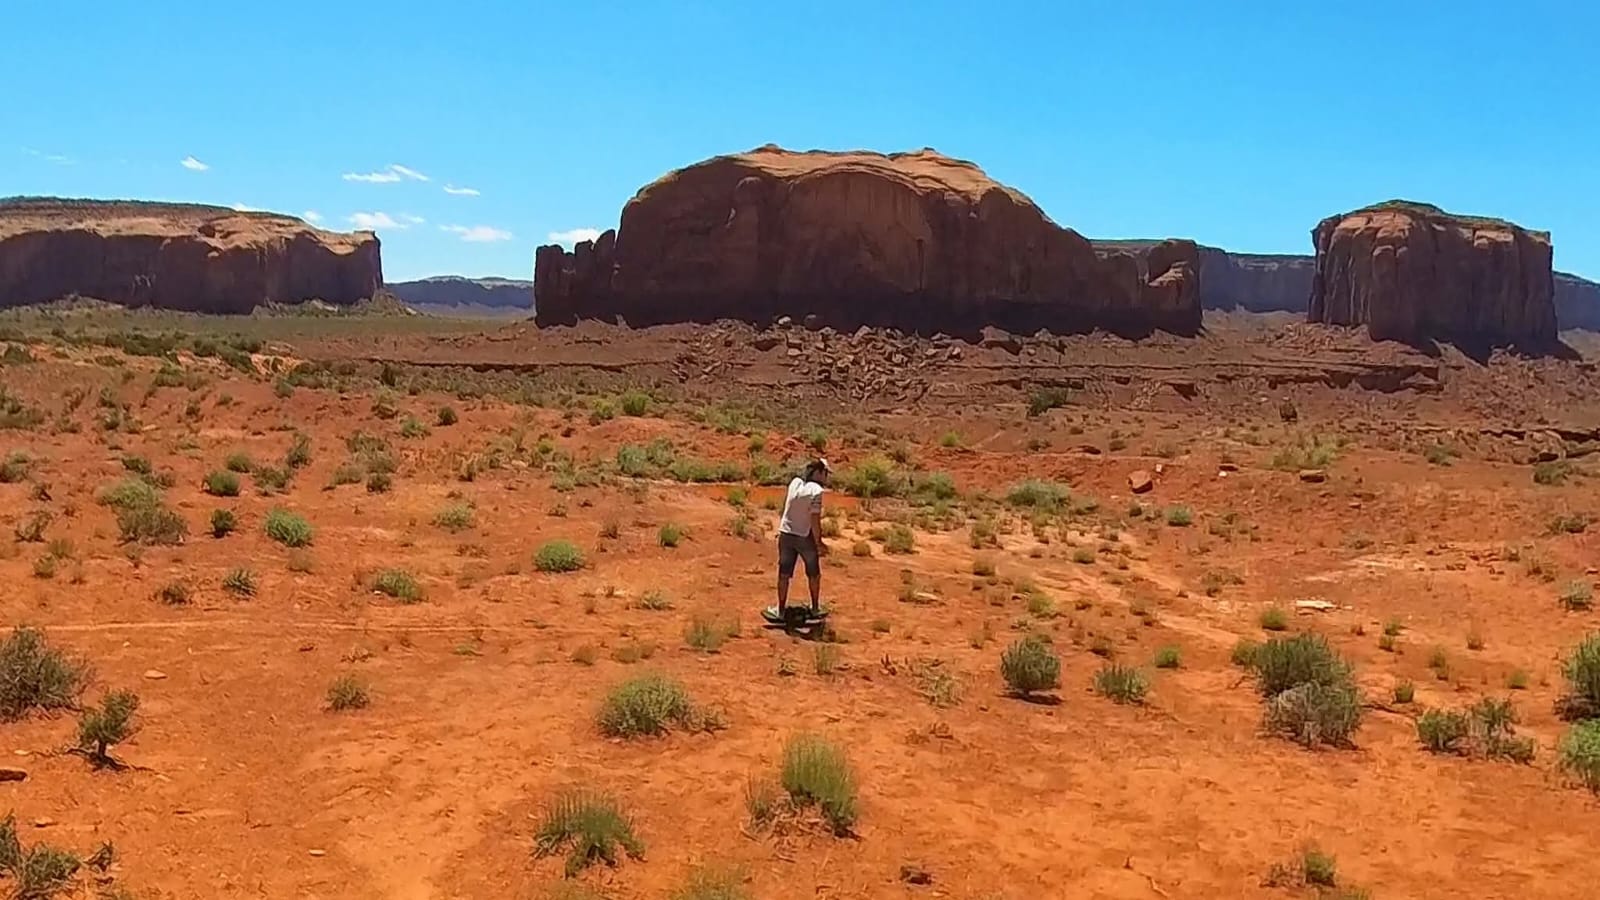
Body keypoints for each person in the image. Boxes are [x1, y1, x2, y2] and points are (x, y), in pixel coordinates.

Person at [771, 458, 829, 619]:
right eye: (825, 473)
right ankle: (815, 608)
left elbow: (787, 508)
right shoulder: (817, 491)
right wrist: (819, 542)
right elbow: (814, 520)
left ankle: (780, 610)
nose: (826, 477)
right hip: (804, 536)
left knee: (784, 573)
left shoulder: (794, 483)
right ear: (818, 473)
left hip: (786, 533)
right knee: (813, 572)